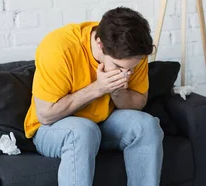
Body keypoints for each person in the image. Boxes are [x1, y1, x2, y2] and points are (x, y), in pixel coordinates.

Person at [23, 6, 164, 186]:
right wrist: (98, 88)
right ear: (100, 44)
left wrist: (117, 90)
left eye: (131, 69)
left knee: (147, 126)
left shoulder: (134, 53)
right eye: (119, 67)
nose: (126, 73)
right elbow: (45, 115)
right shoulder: (59, 47)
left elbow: (139, 101)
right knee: (82, 131)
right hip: (52, 128)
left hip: (103, 123)